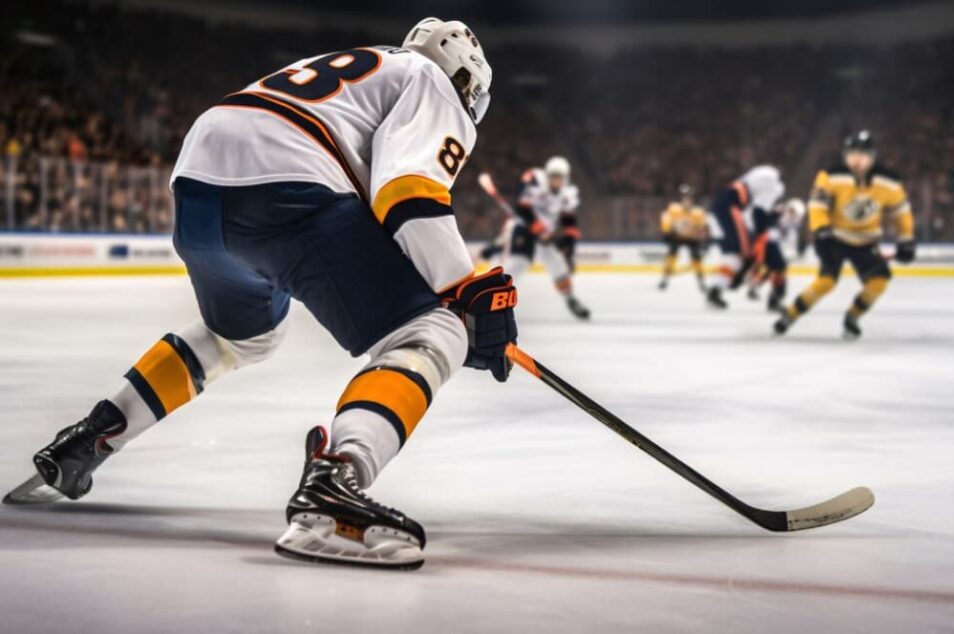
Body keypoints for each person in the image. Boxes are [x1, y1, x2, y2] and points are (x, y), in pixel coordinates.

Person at [4, 18, 518, 571]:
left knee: (241, 338)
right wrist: (461, 295)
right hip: (287, 184)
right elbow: (409, 189)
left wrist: (447, 284)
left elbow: (376, 198)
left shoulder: (370, 65)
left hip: (199, 187)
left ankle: (93, 435)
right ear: (468, 80)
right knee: (433, 330)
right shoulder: (434, 81)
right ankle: (337, 481)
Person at [774, 130, 915, 338]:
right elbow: (817, 205)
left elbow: (901, 214)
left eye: (862, 154)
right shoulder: (830, 175)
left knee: (879, 282)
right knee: (826, 282)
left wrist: (906, 240)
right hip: (834, 239)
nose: (856, 159)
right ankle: (791, 314)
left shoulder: (890, 183)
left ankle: (852, 317)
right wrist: (821, 229)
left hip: (866, 243)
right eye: (852, 154)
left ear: (872, 157)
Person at [502, 156, 591, 320]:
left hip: (545, 234)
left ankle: (570, 299)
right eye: (553, 176)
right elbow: (522, 208)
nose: (555, 180)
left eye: (559, 177)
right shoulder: (535, 181)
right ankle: (493, 300)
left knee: (559, 265)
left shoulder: (568, 193)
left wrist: (569, 247)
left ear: (565, 178)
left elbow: (568, 220)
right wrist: (537, 227)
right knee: (516, 265)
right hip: (524, 229)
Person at [705, 165, 786, 309]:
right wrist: (762, 232)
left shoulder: (760, 180)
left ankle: (719, 288)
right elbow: (759, 211)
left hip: (727, 211)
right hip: (735, 213)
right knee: (743, 255)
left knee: (734, 257)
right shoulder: (771, 185)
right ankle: (734, 285)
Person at [744, 198, 805, 312]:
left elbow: (790, 236)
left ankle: (759, 287)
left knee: (774, 268)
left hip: (770, 243)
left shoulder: (789, 220)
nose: (793, 215)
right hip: (766, 242)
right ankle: (773, 298)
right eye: (791, 211)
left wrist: (791, 251)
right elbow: (768, 226)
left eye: (795, 213)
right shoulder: (778, 213)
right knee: (779, 268)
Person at [658, 184, 708, 292]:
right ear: (682, 201)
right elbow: (665, 219)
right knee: (671, 256)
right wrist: (666, 232)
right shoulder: (674, 209)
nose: (687, 203)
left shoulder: (698, 213)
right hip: (677, 237)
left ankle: (701, 281)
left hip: (692, 238)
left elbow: (703, 226)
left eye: (689, 200)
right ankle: (665, 279)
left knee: (696, 259)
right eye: (685, 200)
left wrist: (703, 238)